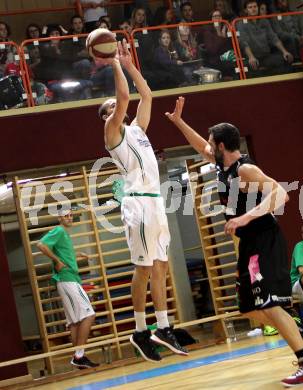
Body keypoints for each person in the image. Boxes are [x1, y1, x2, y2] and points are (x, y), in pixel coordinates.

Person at [165, 96, 303, 387]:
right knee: (250, 307)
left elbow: (281, 195)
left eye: (213, 143)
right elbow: (200, 145)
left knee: (269, 303)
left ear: (222, 146)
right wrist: (178, 122)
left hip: (264, 239)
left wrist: (244, 218)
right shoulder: (221, 165)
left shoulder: (244, 170)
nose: (208, 147)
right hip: (249, 244)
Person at [97, 40, 188, 362]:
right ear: (108, 116)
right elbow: (124, 97)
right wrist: (114, 64)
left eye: (115, 106)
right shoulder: (113, 131)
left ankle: (162, 326)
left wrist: (130, 63)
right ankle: (138, 330)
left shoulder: (137, 130)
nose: (116, 106)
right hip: (137, 203)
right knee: (144, 268)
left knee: (161, 266)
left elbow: (145, 95)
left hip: (155, 201)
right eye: (110, 107)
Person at [37, 209, 98, 369]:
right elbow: (41, 245)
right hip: (67, 278)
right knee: (89, 315)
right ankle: (79, 356)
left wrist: (78, 254)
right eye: (66, 215)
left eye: (71, 215)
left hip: (68, 279)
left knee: (75, 322)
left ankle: (79, 357)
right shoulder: (58, 230)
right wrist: (56, 261)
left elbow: (65, 253)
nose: (69, 218)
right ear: (59, 218)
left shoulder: (64, 234)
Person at [237, 0, 293, 77]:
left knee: (284, 60)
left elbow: (273, 38)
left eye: (255, 7)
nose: (253, 9)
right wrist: (251, 57)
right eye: (250, 7)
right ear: (246, 10)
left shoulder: (264, 21)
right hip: (252, 57)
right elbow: (243, 42)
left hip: (266, 55)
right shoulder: (241, 23)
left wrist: (285, 51)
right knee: (250, 67)